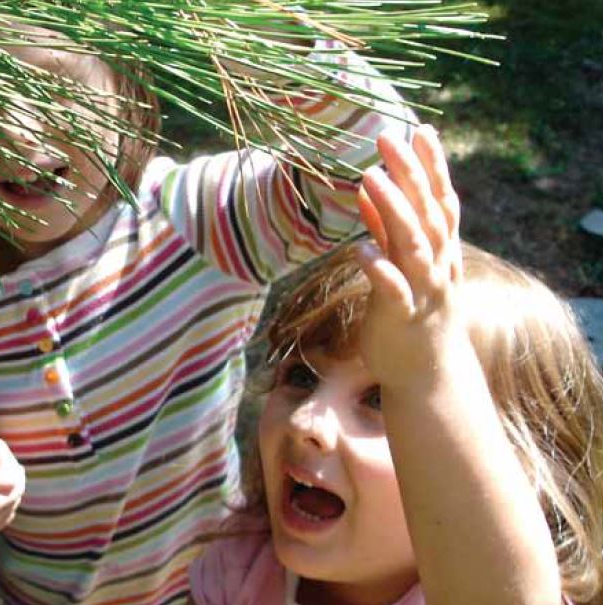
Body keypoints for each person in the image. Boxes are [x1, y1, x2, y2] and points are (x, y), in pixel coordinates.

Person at [0, 17, 419, 604]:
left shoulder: (195, 220)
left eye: (53, 89)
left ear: (126, 84)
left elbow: (375, 171)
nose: (16, 133)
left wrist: (271, 35)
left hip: (206, 590)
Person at [190, 128, 603, 604]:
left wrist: (430, 367)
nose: (308, 422)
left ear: (519, 475)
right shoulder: (243, 564)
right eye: (302, 378)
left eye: (381, 398)